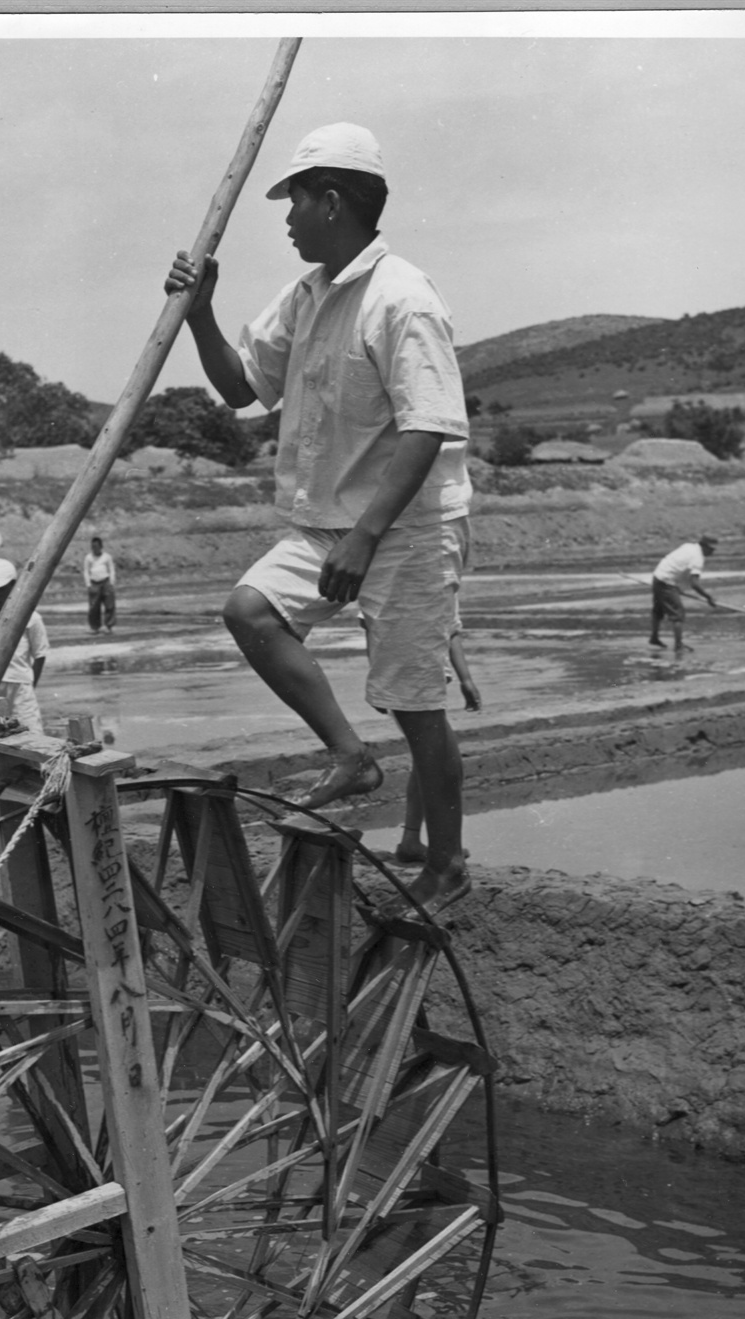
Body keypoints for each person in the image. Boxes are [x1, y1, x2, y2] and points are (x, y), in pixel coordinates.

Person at [166, 121, 473, 912]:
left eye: (295, 202)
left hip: (404, 527)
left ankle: (445, 864)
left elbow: (429, 425)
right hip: (328, 522)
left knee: (413, 701)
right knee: (251, 610)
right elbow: (242, 390)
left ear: (331, 202)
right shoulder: (304, 297)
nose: (289, 218)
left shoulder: (402, 297)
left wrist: (368, 537)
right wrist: (199, 312)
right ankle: (348, 754)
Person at [393, 595, 481, 865]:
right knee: (444, 762)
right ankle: (444, 849)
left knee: (428, 760)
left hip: (431, 681)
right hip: (406, 680)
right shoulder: (394, 580)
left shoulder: (445, 586)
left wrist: (466, 679)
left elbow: (452, 630)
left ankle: (412, 841)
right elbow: (373, 626)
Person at [0, 558, 50, 732]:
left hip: (20, 688)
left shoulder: (31, 617)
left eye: (0, 589)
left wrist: (29, 684)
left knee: (31, 737)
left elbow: (40, 654)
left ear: (13, 585)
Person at [650, 535, 719, 656]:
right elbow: (694, 584)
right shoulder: (698, 558)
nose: (713, 552)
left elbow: (678, 566)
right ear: (705, 547)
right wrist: (709, 597)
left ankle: (654, 638)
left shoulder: (689, 546)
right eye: (711, 549)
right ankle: (678, 645)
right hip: (666, 582)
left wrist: (678, 587)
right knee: (678, 614)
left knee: (658, 610)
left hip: (658, 575)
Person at [83, 536, 117, 635]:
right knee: (94, 606)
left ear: (101, 546)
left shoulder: (107, 557)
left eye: (97, 546)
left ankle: (108, 626)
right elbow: (86, 571)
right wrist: (88, 584)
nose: (95, 548)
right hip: (94, 583)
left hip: (106, 582)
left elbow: (111, 570)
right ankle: (94, 627)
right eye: (93, 547)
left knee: (109, 605)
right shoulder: (88, 558)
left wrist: (112, 582)